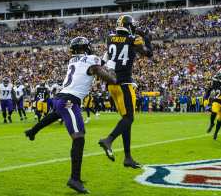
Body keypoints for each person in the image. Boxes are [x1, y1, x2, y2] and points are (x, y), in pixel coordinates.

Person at [24, 37, 116, 194]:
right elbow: (105, 75)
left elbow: (96, 62)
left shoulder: (74, 60)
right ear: (85, 48)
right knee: (79, 137)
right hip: (69, 101)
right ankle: (74, 179)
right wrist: (112, 72)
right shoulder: (91, 60)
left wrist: (107, 56)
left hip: (60, 98)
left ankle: (32, 131)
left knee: (56, 114)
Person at [99, 15, 153, 168]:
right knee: (129, 119)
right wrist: (147, 38)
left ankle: (128, 157)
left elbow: (106, 57)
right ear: (129, 26)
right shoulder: (133, 38)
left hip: (111, 84)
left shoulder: (110, 38)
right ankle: (108, 140)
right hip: (124, 83)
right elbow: (148, 53)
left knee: (125, 121)